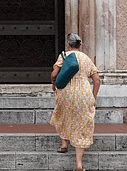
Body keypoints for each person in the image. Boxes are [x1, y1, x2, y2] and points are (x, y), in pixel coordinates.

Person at [50, 33, 101, 171]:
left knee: (64, 116)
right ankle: (79, 164)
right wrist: (93, 97)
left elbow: (54, 74)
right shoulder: (86, 59)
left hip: (66, 92)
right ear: (80, 45)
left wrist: (54, 82)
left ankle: (64, 144)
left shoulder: (64, 56)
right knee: (82, 124)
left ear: (68, 44)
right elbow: (97, 80)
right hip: (84, 94)